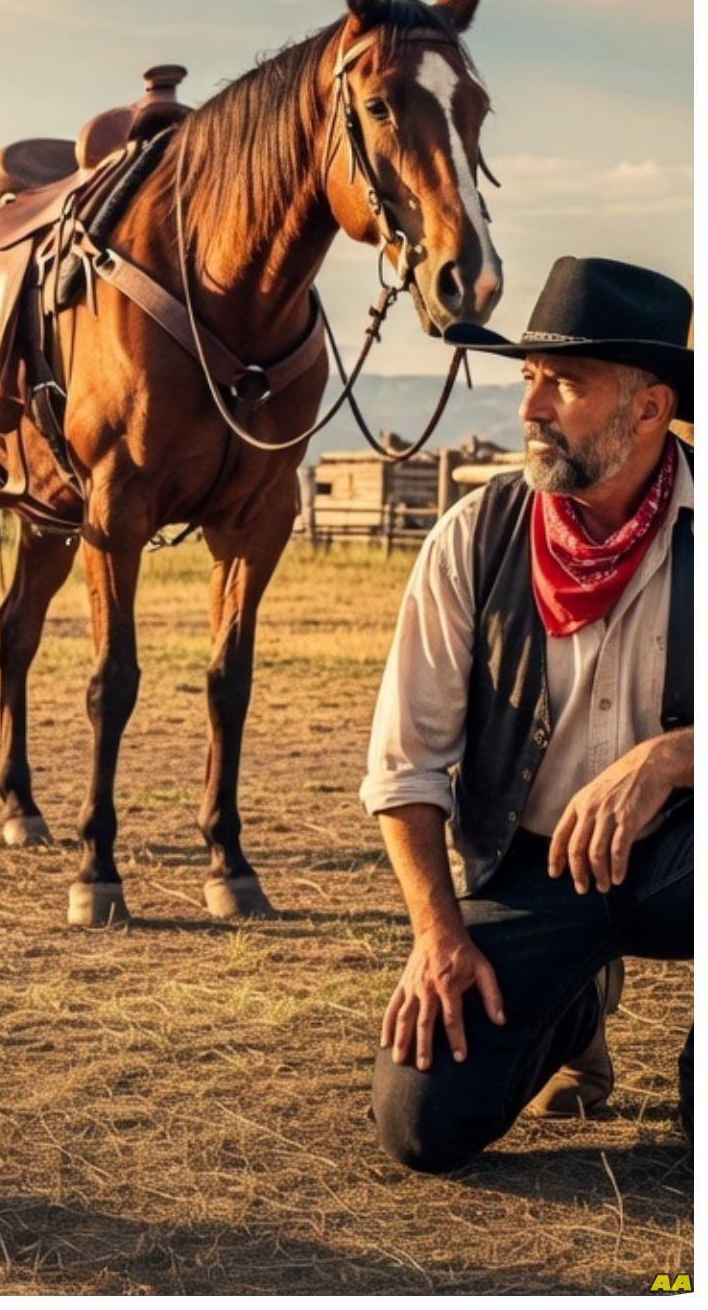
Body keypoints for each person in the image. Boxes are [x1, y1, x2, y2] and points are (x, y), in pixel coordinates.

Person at [360, 257, 693, 1173]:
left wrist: (672, 756)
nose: (531, 409)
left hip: (684, 859)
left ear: (651, 409)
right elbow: (406, 770)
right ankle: (572, 1003)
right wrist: (440, 937)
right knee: (424, 1123)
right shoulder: (473, 537)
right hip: (536, 868)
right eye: (530, 379)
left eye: (566, 383)